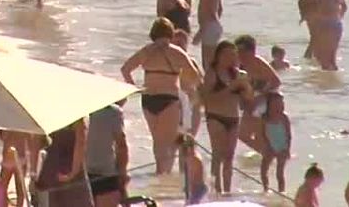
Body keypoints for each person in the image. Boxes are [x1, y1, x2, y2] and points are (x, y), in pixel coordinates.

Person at [121, 18, 202, 174]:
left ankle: (161, 174)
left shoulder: (146, 51)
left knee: (157, 141)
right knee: (167, 143)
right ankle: (163, 176)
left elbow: (125, 69)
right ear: (170, 33)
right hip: (169, 99)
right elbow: (196, 76)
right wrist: (184, 82)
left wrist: (136, 89)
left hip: (148, 98)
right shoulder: (176, 52)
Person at [202, 40, 254, 195]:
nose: (230, 58)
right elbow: (207, 98)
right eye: (226, 54)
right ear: (218, 56)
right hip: (215, 116)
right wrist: (230, 88)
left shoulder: (237, 74)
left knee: (230, 156)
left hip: (233, 117)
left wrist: (245, 86)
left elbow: (249, 99)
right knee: (217, 153)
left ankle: (227, 190)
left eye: (233, 55)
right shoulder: (212, 73)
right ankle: (215, 189)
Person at [33, 117, 93, 207]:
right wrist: (74, 171)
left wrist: (35, 171)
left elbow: (37, 141)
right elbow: (81, 138)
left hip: (49, 168)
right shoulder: (76, 112)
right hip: (68, 168)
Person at [85, 100, 129, 207]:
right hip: (106, 174)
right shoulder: (113, 112)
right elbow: (121, 146)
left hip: (79, 177)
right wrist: (122, 173)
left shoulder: (72, 111)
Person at [193, 0, 223, 69]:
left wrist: (202, 31)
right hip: (212, 26)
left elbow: (210, 11)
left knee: (208, 64)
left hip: (209, 26)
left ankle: (212, 85)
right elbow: (219, 9)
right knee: (210, 62)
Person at [259, 92, 291, 193]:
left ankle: (281, 191)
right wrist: (267, 146)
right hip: (270, 146)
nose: (279, 107)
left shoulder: (284, 117)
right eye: (276, 104)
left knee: (279, 173)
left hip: (282, 147)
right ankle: (266, 189)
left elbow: (289, 135)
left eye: (281, 104)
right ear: (269, 105)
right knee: (263, 170)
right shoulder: (264, 118)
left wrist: (287, 149)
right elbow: (262, 134)